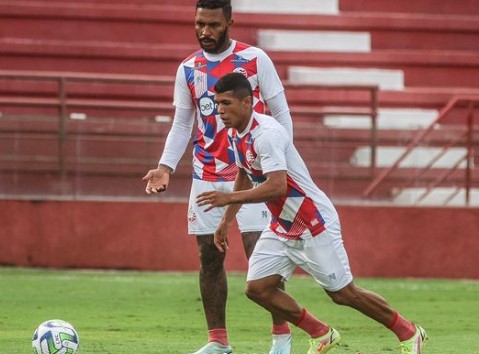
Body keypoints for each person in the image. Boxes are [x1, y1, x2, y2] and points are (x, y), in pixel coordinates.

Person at [196, 72, 429, 354]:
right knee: (258, 288)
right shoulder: (235, 132)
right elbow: (245, 173)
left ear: (248, 102)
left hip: (312, 221)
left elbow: (277, 186)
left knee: (343, 294)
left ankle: (408, 332)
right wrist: (226, 221)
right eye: (218, 103)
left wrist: (228, 199)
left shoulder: (267, 134)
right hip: (281, 225)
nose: (220, 110)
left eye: (227, 103)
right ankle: (320, 333)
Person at [143, 1, 294, 353]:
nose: (204, 32)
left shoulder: (256, 59)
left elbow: (281, 112)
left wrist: (281, 162)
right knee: (209, 256)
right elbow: (183, 123)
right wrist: (165, 166)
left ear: (229, 22)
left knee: (261, 255)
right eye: (199, 24)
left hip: (254, 172)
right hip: (206, 173)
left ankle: (281, 336)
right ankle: (218, 342)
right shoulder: (188, 69)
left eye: (212, 24)